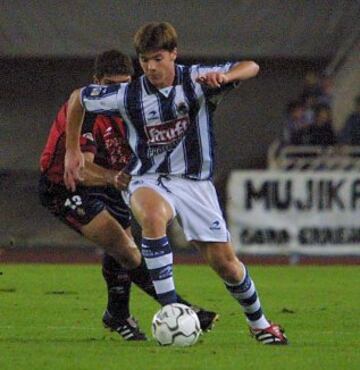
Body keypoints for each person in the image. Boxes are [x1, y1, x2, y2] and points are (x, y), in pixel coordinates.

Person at [64, 23, 288, 344]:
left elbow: (250, 66)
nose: (151, 67)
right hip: (147, 177)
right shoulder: (128, 95)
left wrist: (226, 78)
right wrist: (73, 150)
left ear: (173, 54)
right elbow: (78, 99)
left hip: (195, 183)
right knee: (153, 217)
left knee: (226, 265)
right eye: (144, 60)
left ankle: (260, 324)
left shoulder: (196, 80)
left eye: (158, 58)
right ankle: (171, 310)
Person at [39, 49, 218, 341]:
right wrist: (114, 177)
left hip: (113, 185)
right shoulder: (89, 110)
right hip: (67, 186)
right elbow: (82, 171)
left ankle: (117, 316)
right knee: (126, 250)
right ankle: (178, 307)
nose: (116, 90)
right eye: (109, 84)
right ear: (96, 81)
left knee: (122, 250)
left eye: (123, 83)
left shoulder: (132, 103)